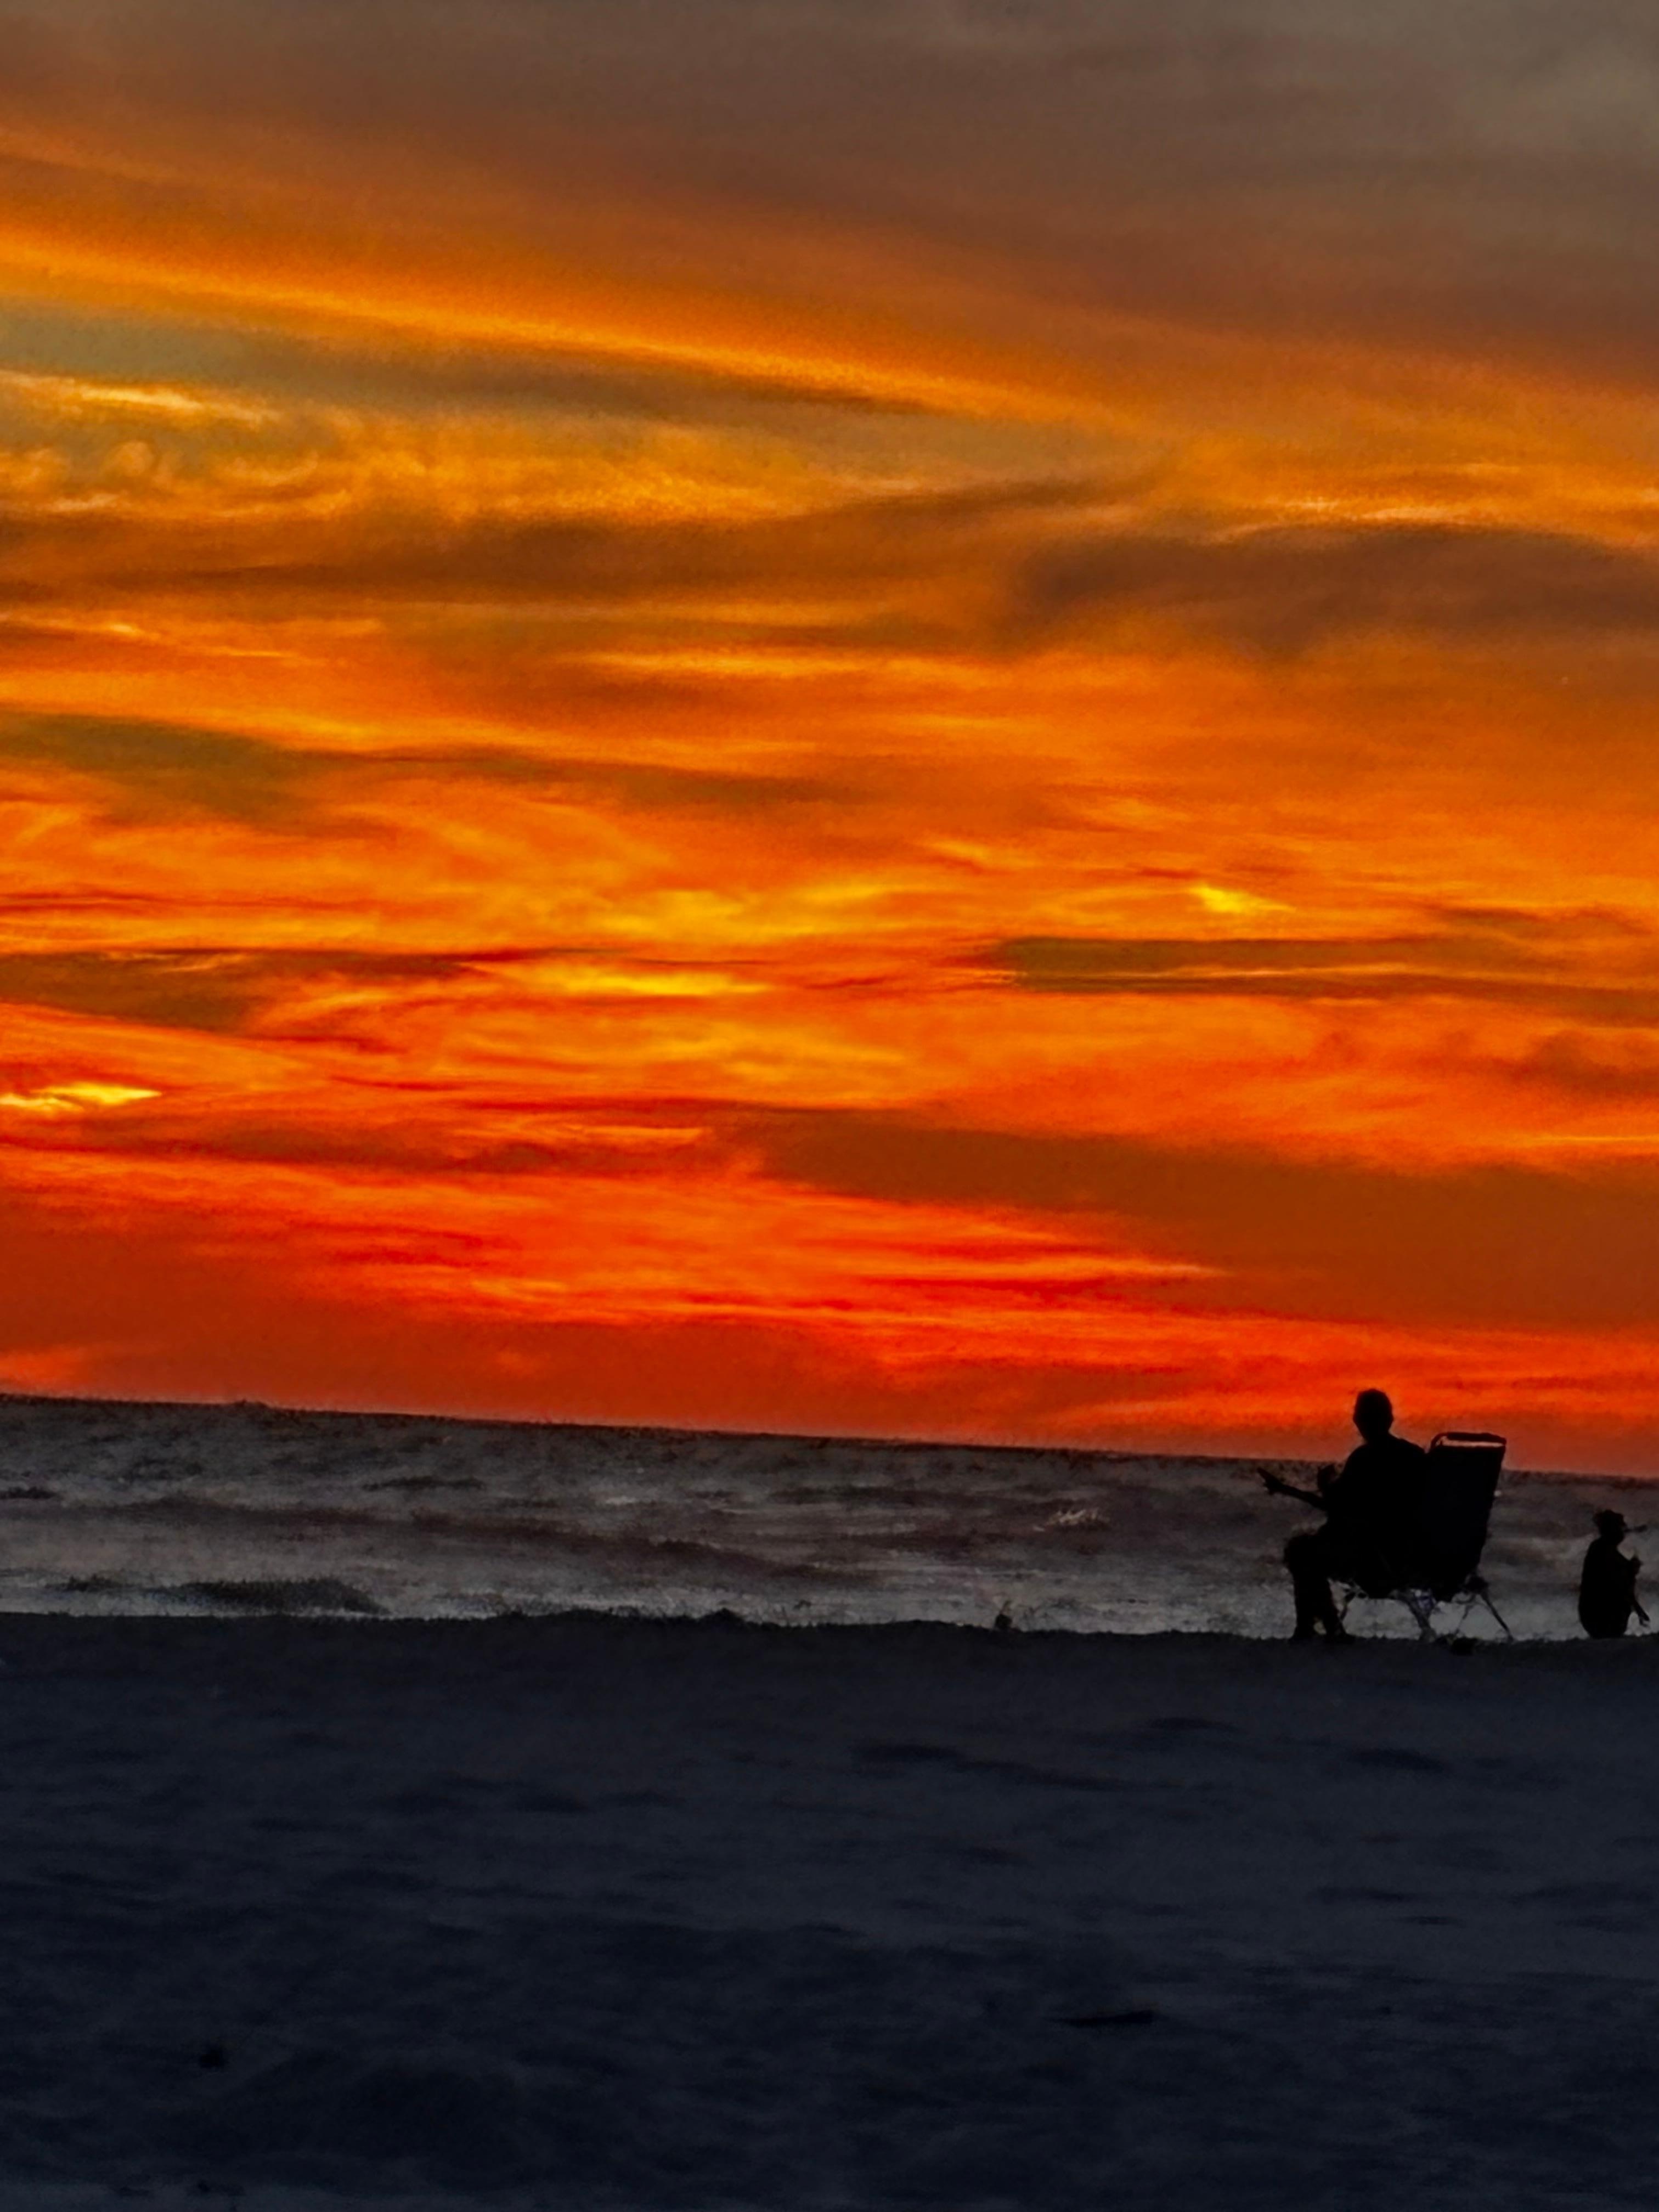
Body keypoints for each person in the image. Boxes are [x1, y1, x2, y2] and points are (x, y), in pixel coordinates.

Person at [1263, 1390, 1429, 1641]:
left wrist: (1324, 1485)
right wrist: (1289, 1490)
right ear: (1391, 1419)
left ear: (1359, 1422)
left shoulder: (1365, 1458)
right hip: (1415, 1555)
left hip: (1375, 1558)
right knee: (1313, 1547)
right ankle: (1325, 1629)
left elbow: (1339, 1507)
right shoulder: (1416, 1456)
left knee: (1301, 1551)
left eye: (1359, 1417)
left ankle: (1325, 1629)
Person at [1578, 1510, 1647, 1639]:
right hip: (1602, 1617)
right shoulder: (1603, 1551)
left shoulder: (1600, 1549)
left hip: (1596, 1618)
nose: (1623, 1534)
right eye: (1620, 1529)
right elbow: (1618, 1584)